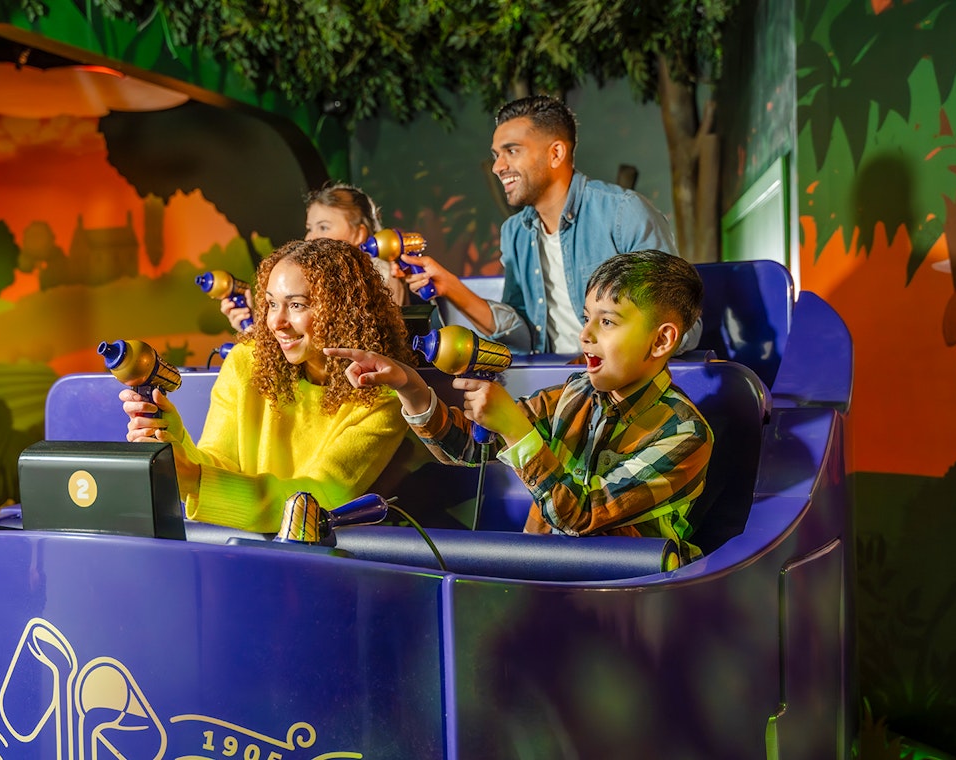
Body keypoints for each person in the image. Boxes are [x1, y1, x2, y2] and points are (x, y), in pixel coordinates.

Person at [327, 250, 713, 560]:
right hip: (543, 572)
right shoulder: (573, 393)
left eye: (608, 322)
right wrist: (410, 387)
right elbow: (468, 449)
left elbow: (581, 516)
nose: (586, 334)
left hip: (635, 594)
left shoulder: (684, 434)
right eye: (586, 318)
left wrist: (516, 429)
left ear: (661, 341)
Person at [124, 238, 416, 532]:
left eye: (297, 305)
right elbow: (218, 465)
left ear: (343, 310)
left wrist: (192, 477)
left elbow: (316, 500)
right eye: (272, 303)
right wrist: (175, 442)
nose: (276, 321)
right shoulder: (245, 361)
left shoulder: (381, 395)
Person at [399, 95, 697, 356]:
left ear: (556, 153)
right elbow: (523, 335)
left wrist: (602, 355)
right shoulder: (515, 232)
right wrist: (450, 287)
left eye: (511, 151)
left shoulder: (624, 213)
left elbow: (683, 328)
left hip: (621, 387)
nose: (497, 166)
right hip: (553, 383)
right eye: (496, 155)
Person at [221, 182, 407, 331]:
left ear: (359, 234)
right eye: (310, 228)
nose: (311, 237)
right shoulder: (307, 280)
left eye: (324, 227)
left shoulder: (385, 282)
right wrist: (252, 326)